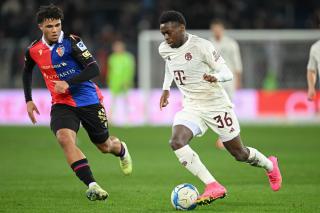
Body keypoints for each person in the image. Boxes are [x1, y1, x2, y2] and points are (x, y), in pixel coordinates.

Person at [158, 11, 282, 206]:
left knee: (239, 153)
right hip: (192, 106)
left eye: (169, 32)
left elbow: (227, 71)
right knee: (176, 141)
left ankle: (270, 164)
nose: (166, 37)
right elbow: (169, 64)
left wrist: (217, 77)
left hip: (216, 105)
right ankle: (213, 185)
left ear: (182, 28)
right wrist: (166, 88)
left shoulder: (202, 46)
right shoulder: (164, 48)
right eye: (163, 33)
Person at [22, 4, 132, 201]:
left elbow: (94, 69)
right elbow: (27, 70)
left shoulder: (72, 42)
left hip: (88, 100)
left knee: (105, 146)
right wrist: (28, 100)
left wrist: (68, 82)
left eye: (57, 25)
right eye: (50, 27)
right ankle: (92, 185)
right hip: (62, 103)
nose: (55, 30)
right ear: (41, 27)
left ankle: (121, 149)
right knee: (64, 138)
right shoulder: (33, 50)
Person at [210, 19, 243, 149]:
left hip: (229, 80)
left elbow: (237, 63)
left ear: (222, 29)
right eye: (214, 28)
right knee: (216, 108)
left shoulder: (231, 44)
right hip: (214, 80)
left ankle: (226, 136)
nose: (216, 31)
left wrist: (238, 80)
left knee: (228, 107)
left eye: (218, 28)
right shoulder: (209, 44)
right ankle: (223, 134)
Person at [107, 40, 135, 124]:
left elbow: (130, 70)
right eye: (115, 47)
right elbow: (110, 71)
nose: (116, 48)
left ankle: (128, 120)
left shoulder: (128, 57)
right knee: (112, 102)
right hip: (114, 83)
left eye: (118, 46)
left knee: (126, 102)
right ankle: (110, 120)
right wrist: (109, 81)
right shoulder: (112, 57)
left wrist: (127, 81)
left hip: (125, 84)